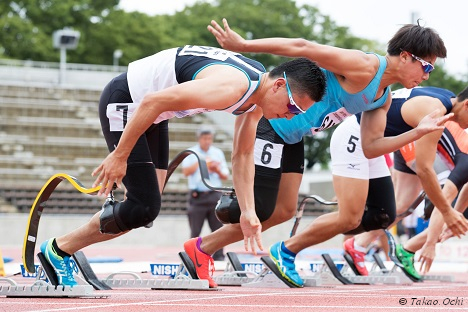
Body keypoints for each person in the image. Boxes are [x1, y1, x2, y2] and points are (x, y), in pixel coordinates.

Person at [183, 19, 458, 288]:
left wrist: (417, 132)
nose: (426, 76)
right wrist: (244, 44)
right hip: (271, 122)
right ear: (406, 56)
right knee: (261, 208)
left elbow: (371, 147)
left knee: (283, 212)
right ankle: (213, 232)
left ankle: (201, 248)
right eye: (426, 66)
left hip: (294, 137)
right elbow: (303, 46)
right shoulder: (364, 66)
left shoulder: (382, 97)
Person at [38, 44, 327, 286]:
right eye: (294, 108)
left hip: (155, 113)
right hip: (130, 104)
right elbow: (152, 100)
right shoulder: (234, 87)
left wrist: (249, 212)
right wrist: (119, 155)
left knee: (143, 211)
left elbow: (242, 156)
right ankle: (58, 249)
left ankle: (107, 217)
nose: (292, 117)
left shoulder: (256, 98)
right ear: (279, 85)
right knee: (142, 208)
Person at [339, 87, 468, 281]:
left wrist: (453, 217)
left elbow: (464, 193)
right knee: (439, 196)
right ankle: (404, 248)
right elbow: (444, 198)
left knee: (402, 206)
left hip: (407, 135)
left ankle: (358, 244)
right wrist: (432, 242)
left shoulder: (447, 99)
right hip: (408, 138)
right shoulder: (464, 157)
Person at [182, 126, 229, 260]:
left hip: (214, 194)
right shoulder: (191, 152)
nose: (207, 141)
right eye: (204, 138)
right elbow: (186, 172)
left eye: (209, 138)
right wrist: (203, 163)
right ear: (199, 138)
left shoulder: (217, 153)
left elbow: (225, 175)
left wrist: (216, 169)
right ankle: (192, 257)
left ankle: (219, 256)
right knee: (195, 230)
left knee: (218, 228)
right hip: (197, 196)